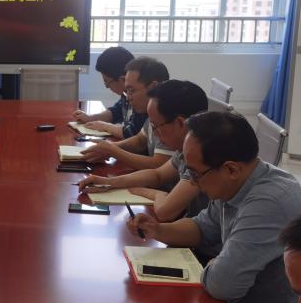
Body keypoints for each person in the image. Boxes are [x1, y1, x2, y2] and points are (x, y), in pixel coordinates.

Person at [129, 111, 301, 303]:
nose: (193, 182)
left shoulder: (268, 202)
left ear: (231, 169)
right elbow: (202, 228)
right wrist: (158, 229)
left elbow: (222, 285)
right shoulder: (235, 183)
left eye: (195, 174)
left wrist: (214, 267)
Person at [78, 80, 208, 221]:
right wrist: (109, 182)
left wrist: (154, 194)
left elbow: (165, 211)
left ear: (180, 123)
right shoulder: (183, 150)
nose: (155, 134)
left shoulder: (201, 158)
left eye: (156, 126)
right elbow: (157, 175)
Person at [80, 56, 172, 170]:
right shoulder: (152, 112)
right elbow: (139, 141)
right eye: (126, 91)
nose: (128, 98)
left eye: (132, 90)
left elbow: (158, 165)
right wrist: (108, 147)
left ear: (153, 87)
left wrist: (114, 151)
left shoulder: (170, 115)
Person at [72, 46, 139, 139]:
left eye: (107, 82)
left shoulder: (141, 100)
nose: (107, 87)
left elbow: (132, 133)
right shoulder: (126, 94)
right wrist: (90, 118)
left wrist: (105, 127)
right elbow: (115, 112)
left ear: (122, 79)